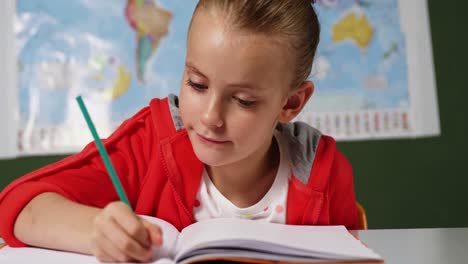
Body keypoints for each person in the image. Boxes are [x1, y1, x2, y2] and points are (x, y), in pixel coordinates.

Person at [0, 0, 359, 262]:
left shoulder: (323, 174)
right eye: (197, 84)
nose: (210, 118)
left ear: (292, 103)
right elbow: (18, 207)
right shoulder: (148, 143)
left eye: (244, 101)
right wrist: (98, 230)